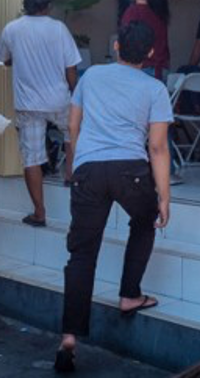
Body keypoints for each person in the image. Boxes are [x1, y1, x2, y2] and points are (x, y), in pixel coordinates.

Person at [56, 21, 172, 373]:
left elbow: (73, 127)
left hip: (89, 171)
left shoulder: (90, 78)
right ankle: (129, 295)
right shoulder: (155, 89)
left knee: (82, 253)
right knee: (145, 220)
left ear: (117, 46)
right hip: (131, 172)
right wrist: (163, 197)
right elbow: (157, 146)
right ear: (150, 54)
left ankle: (69, 340)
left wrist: (75, 166)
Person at [0, 0, 81, 228]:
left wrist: (18, 60)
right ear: (49, 5)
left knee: (32, 158)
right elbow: (71, 68)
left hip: (28, 104)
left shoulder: (12, 29)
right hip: (59, 99)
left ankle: (39, 213)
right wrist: (76, 93)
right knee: (71, 132)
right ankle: (70, 176)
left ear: (26, 4)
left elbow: (1, 59)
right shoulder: (59, 29)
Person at [121, 0, 170, 80]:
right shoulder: (160, 9)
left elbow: (125, 44)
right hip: (161, 70)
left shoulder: (133, 11)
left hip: (140, 70)